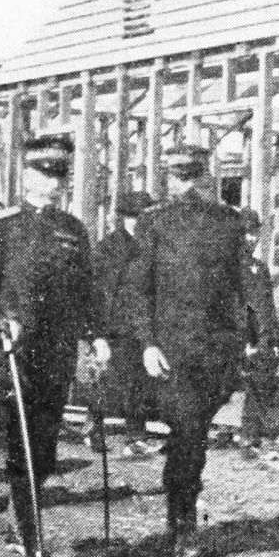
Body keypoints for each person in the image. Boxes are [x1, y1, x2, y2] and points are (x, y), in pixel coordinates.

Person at [0, 135, 109, 557]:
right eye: (45, 174)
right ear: (26, 175)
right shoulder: (0, 227)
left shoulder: (72, 229)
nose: (54, 183)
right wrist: (0, 320)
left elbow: (86, 290)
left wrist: (96, 335)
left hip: (56, 352)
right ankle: (26, 529)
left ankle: (24, 522)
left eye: (61, 175)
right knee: (20, 441)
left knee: (45, 445)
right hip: (13, 353)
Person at [130, 143, 248, 557]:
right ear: (169, 179)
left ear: (206, 177)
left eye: (193, 176)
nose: (187, 185)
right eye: (181, 177)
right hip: (174, 350)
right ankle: (182, 524)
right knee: (186, 432)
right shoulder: (154, 222)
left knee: (193, 436)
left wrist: (247, 339)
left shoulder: (228, 222)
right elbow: (139, 288)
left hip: (214, 350)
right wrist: (148, 342)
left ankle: (183, 518)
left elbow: (241, 284)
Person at [90, 189, 158, 459]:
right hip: (115, 324)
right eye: (139, 217)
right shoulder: (109, 247)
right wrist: (99, 333)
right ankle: (95, 427)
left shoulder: (150, 246)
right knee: (112, 380)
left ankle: (135, 435)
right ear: (127, 218)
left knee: (138, 381)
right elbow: (101, 291)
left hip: (141, 323)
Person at [237, 208, 279, 450]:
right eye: (246, 233)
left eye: (255, 233)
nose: (251, 239)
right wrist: (243, 342)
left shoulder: (260, 268)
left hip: (254, 341)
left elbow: (266, 310)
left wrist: (267, 341)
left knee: (264, 365)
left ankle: (250, 432)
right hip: (232, 339)